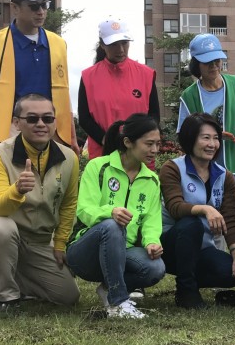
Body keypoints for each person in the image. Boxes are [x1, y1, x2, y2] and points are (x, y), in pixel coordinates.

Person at [0, 94, 80, 313]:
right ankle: (6, 297)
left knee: (68, 296)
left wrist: (59, 243)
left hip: (37, 239)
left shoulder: (69, 158)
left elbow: (68, 204)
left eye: (47, 118)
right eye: (32, 119)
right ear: (16, 122)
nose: (41, 124)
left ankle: (4, 272)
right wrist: (17, 189)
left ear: (54, 122)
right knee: (2, 228)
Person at [66, 114, 165, 319]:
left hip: (123, 253)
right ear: (128, 142)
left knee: (155, 267)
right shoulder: (98, 167)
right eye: (149, 144)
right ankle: (117, 302)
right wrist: (109, 212)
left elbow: (151, 220)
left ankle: (108, 288)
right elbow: (84, 208)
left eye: (158, 144)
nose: (155, 150)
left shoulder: (152, 180)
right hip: (86, 252)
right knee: (112, 226)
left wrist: (152, 242)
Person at [0, 0, 78, 153]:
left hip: (51, 130)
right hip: (11, 131)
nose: (41, 11)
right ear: (15, 8)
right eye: (33, 5)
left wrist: (72, 137)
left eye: (44, 4)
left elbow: (64, 92)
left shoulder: (58, 44)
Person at [160, 113, 235, 309]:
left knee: (229, 272)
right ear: (190, 139)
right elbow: (174, 207)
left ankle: (189, 278)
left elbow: (231, 218)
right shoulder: (172, 168)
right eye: (205, 137)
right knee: (191, 224)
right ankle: (186, 291)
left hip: (202, 248)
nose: (212, 144)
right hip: (169, 246)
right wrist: (205, 209)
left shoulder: (224, 176)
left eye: (216, 138)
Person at [79, 17, 160, 161]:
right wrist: (106, 140)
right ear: (102, 45)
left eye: (124, 43)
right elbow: (84, 118)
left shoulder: (146, 74)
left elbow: (154, 115)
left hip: (139, 155)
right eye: (114, 44)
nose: (121, 49)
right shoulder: (88, 76)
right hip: (103, 154)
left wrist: (137, 141)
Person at [177, 34, 235, 175]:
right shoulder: (189, 96)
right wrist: (211, 137)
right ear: (196, 64)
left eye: (217, 60)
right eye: (208, 62)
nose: (214, 66)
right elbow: (183, 136)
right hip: (205, 173)